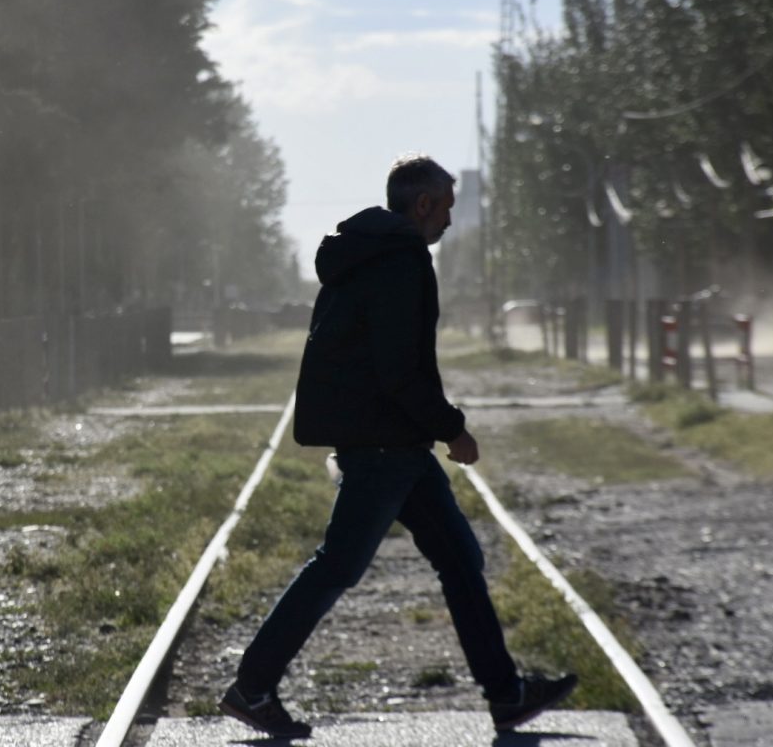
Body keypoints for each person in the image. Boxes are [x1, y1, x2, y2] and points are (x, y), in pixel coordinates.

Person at [219, 154, 577, 738]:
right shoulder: (400, 263)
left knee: (461, 558)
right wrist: (452, 427)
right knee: (338, 564)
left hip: (394, 445)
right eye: (448, 208)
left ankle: (507, 694)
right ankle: (252, 687)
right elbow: (398, 369)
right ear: (423, 205)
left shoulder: (369, 254)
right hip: (384, 445)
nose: (450, 222)